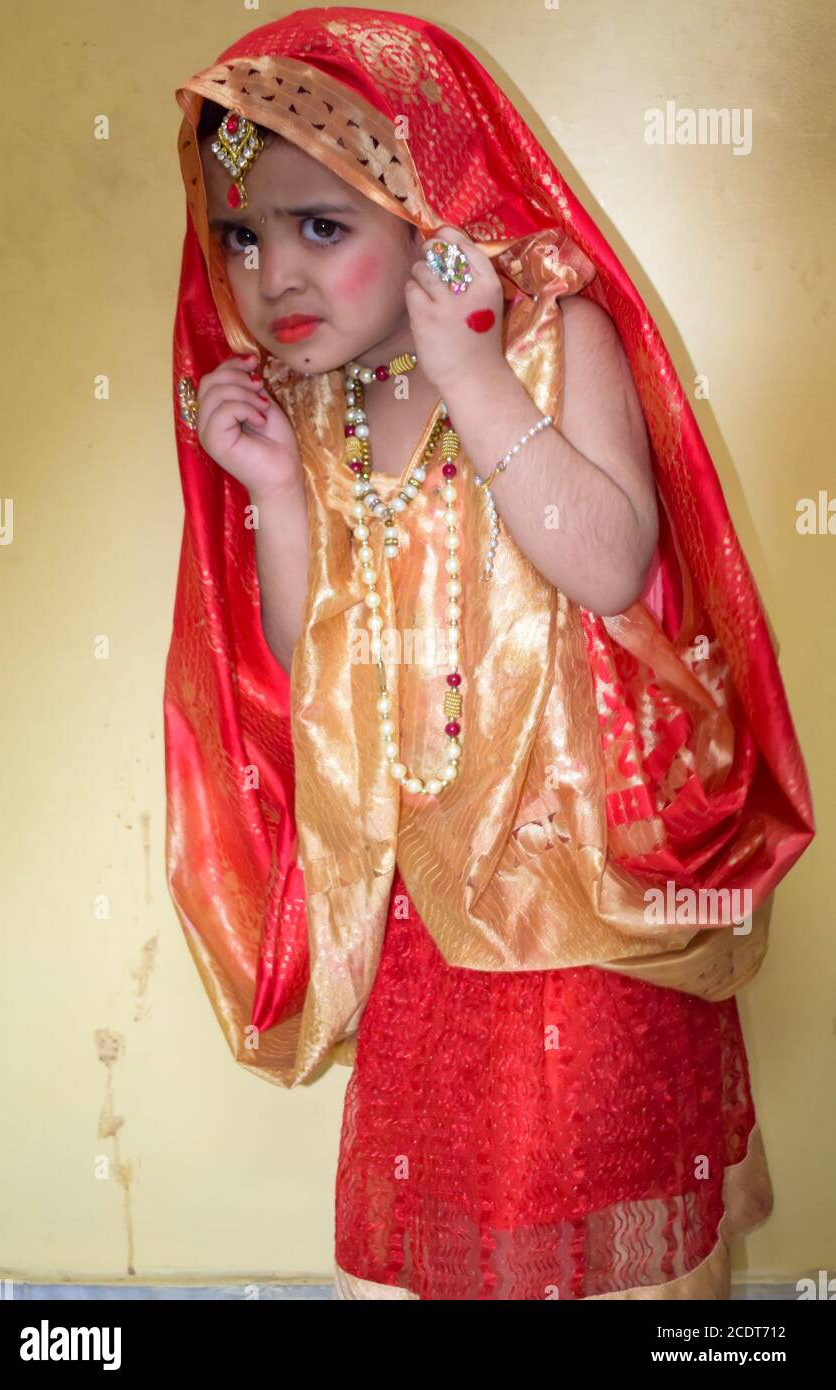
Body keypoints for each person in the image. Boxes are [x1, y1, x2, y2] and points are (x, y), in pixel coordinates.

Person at [165, 8, 814, 1300]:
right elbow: (316, 665)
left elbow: (611, 562)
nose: (272, 275)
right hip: (430, 918)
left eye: (320, 228)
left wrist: (474, 380)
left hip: (587, 900)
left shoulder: (541, 335)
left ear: (426, 205)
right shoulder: (319, 408)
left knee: (594, 1229)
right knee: (448, 1229)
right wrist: (274, 496)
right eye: (241, 236)